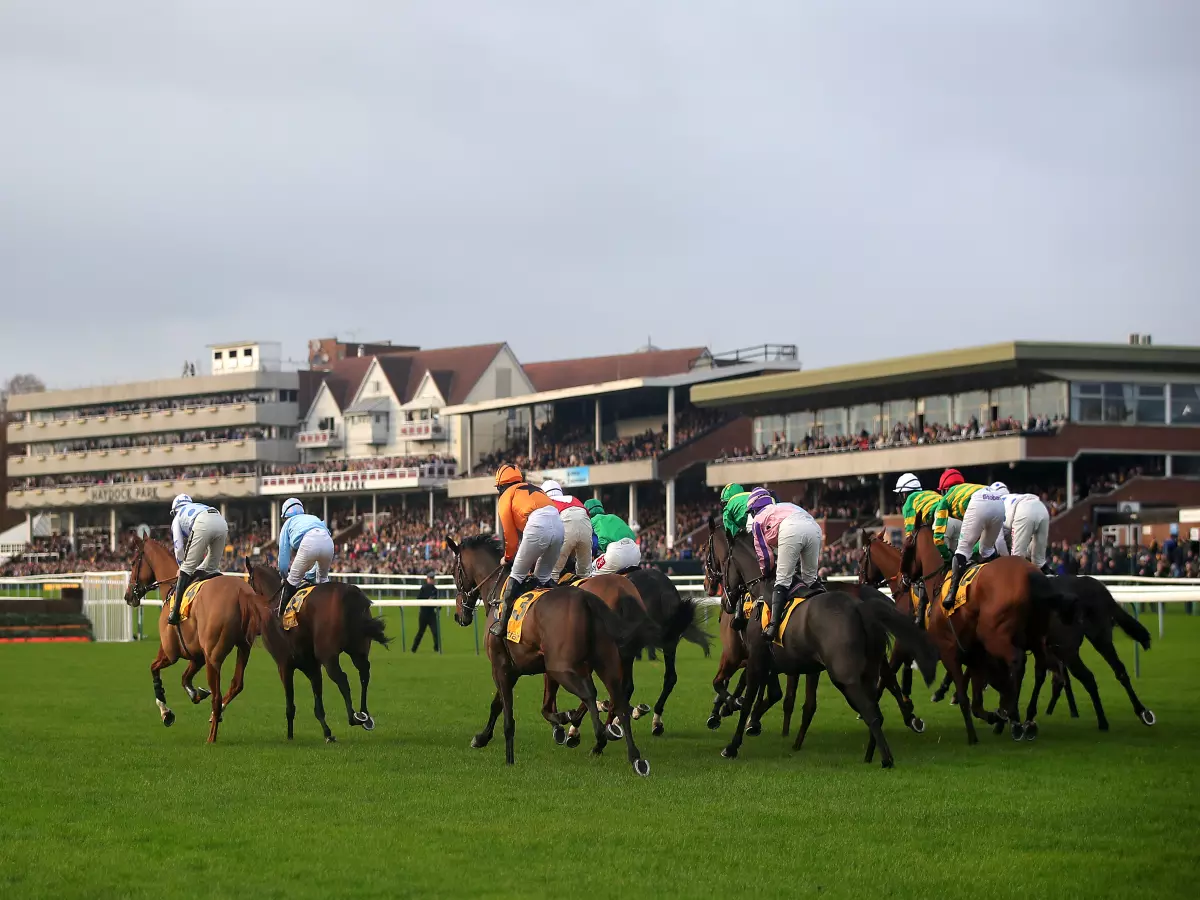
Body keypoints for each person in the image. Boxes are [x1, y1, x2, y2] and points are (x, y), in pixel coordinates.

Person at [493, 464, 564, 638]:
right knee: (543, 578)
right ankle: (562, 612)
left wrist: (508, 557)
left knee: (516, 575)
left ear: (501, 486)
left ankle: (502, 625)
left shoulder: (505, 497)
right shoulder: (535, 488)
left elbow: (510, 535)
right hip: (559, 525)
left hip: (538, 525)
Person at [745, 487, 824, 641]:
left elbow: (765, 556)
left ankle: (773, 626)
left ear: (754, 509)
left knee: (782, 580)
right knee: (810, 578)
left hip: (791, 529)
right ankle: (827, 603)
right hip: (814, 526)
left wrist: (765, 572)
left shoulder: (758, 520)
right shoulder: (785, 505)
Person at [933, 469, 1008, 610]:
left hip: (979, 502)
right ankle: (1003, 580)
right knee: (987, 550)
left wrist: (947, 556)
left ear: (944, 490)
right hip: (998, 501)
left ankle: (952, 594)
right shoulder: (968, 489)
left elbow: (938, 538)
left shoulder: (945, 499)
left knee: (962, 551)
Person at [167, 493, 228, 625]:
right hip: (221, 521)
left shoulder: (177, 518)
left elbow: (178, 547)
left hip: (202, 522)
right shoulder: (197, 506)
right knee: (211, 569)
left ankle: (175, 612)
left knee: (186, 569)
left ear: (174, 510)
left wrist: (181, 567)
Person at [276, 497, 335, 616]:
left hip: (310, 542)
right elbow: (321, 544)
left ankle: (280, 618)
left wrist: (284, 576)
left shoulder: (288, 523)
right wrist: (309, 575)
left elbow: (283, 556)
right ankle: (329, 612)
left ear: (286, 515)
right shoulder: (313, 518)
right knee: (322, 580)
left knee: (291, 581)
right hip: (328, 542)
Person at [992, 481, 1052, 575]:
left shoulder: (994, 505)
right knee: (1039, 562)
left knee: (1017, 561)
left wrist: (1007, 559)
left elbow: (999, 541)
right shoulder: (1012, 497)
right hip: (1041, 507)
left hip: (1022, 510)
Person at [895, 472, 961, 550]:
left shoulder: (909, 502)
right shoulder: (930, 493)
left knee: (941, 559)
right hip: (957, 521)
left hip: (942, 523)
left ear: (904, 494)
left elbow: (910, 535)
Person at [542, 479, 593, 580]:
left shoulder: (547, 502)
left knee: (552, 573)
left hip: (566, 523)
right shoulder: (573, 498)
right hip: (586, 524)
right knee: (585, 573)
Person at [585, 498, 641, 573]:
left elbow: (593, 545)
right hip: (635, 552)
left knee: (588, 572)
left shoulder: (590, 522)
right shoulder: (613, 517)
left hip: (615, 554)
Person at [412, 573, 441, 652]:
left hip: (431, 614)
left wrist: (438, 606)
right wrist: (426, 600)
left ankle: (437, 649)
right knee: (421, 632)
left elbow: (437, 602)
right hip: (423, 614)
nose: (431, 580)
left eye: (432, 579)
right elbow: (418, 599)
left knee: (435, 632)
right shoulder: (423, 588)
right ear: (427, 579)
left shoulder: (435, 589)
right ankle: (413, 649)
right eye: (430, 578)